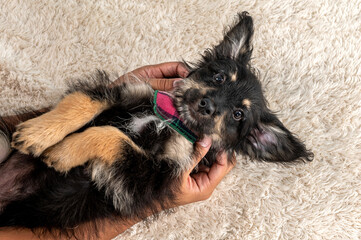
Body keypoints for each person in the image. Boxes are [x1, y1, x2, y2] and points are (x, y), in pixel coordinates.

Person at [0, 62, 235, 240]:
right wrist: (162, 197)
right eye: (219, 78)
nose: (210, 101)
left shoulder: (184, 150)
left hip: (34, 200)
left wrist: (112, 95)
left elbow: (131, 187)